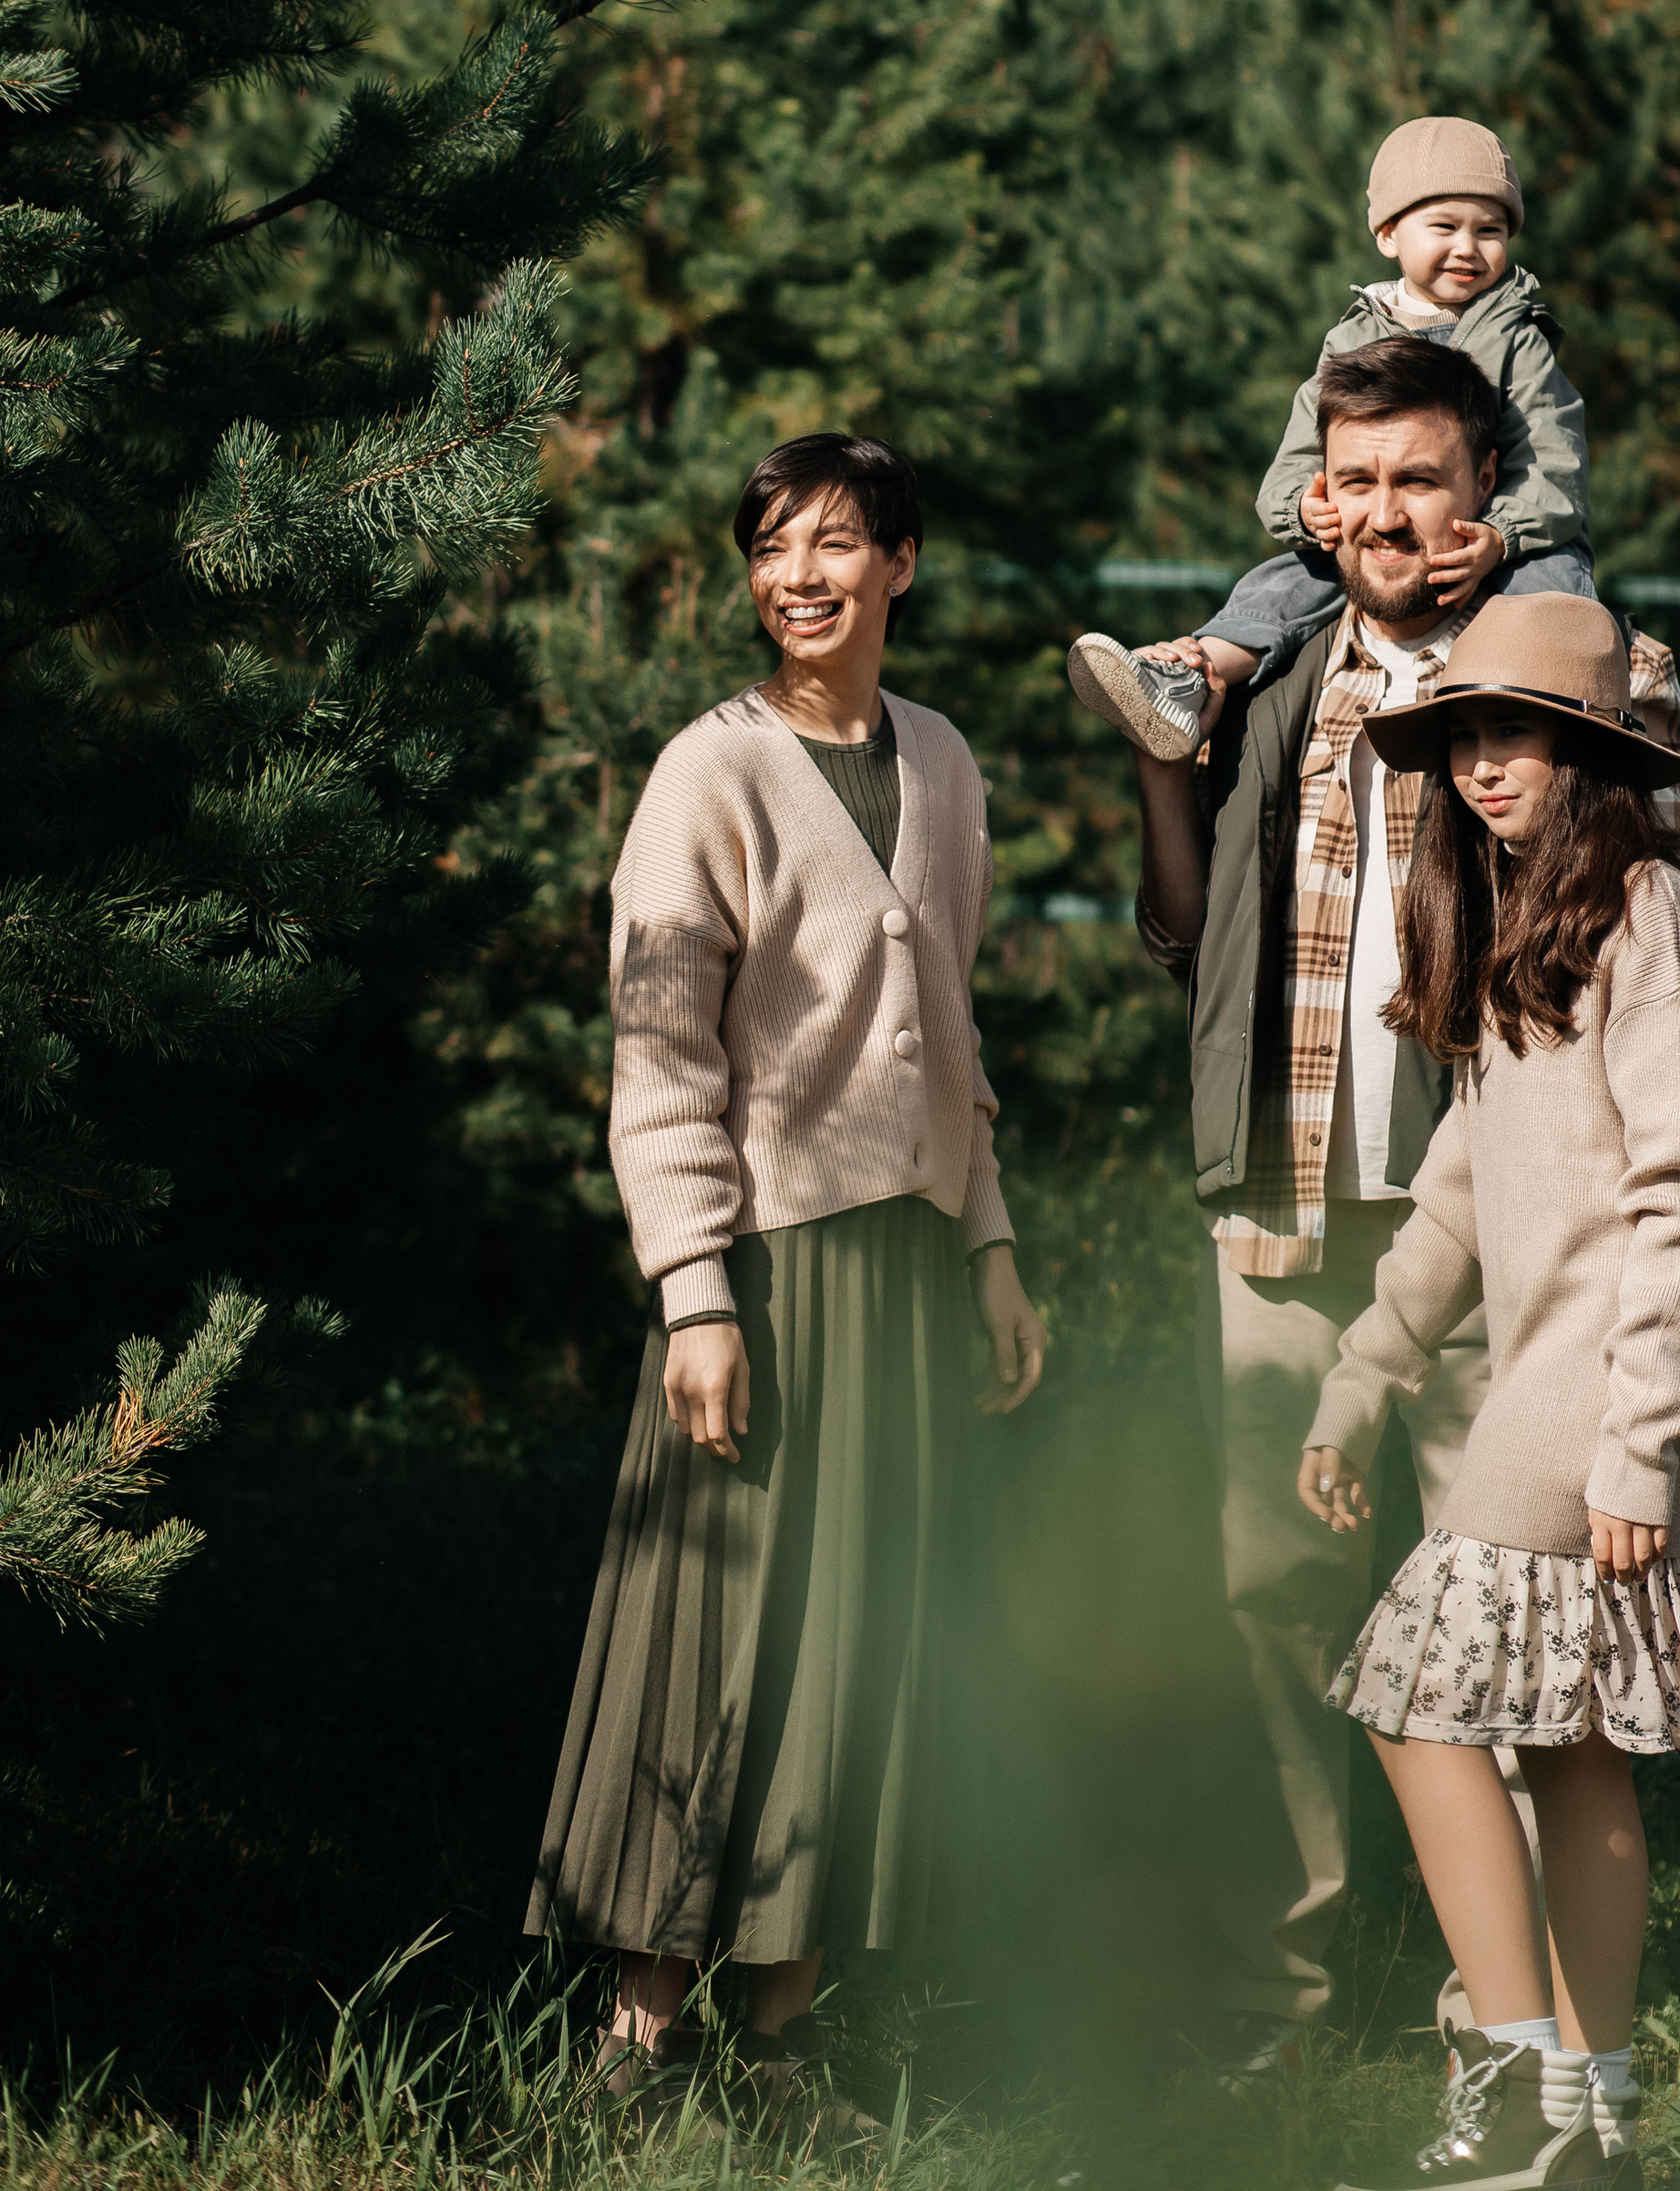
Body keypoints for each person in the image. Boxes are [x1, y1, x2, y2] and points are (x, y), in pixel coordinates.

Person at [1122, 336, 1680, 2072]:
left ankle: (1504, 2016)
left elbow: (1678, 910)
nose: (1386, 514)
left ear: (1486, 498)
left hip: (1515, 1235)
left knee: (1517, 1625)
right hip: (1289, 1200)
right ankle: (1284, 1993)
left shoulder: (1574, 671)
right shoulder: (1260, 674)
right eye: (1358, 481)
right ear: (1319, 499)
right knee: (1276, 1595)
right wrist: (1163, 760)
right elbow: (1180, 933)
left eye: (1421, 481)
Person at [526, 432, 1047, 2120]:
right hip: (764, 1270)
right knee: (719, 1630)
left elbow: (951, 1027)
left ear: (901, 563)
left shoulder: (943, 762)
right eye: (770, 547)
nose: (796, 577)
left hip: (909, 1265)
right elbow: (659, 1051)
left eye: (832, 543)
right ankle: (637, 2046)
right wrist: (694, 1288)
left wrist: (990, 1245)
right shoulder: (711, 774)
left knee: (858, 1640)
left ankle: (783, 2042)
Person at [1300, 595, 1680, 2188]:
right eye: (1464, 741)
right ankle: (1591, 2120)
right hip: (1548, 1391)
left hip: (1597, 1408)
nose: (1485, 767)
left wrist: (1643, 1448)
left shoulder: (1650, 916)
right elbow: (1458, 1188)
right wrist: (1365, 1371)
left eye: (1519, 737)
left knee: (1414, 1699)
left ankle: (1508, 2073)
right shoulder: (1518, 920)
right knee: (1567, 1745)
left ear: (1594, 755)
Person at [1067, 114, 1593, 761]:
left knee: (1555, 589)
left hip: (1509, 532)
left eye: (1490, 231)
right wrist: (1303, 507)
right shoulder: (1353, 338)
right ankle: (1191, 674)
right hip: (1396, 536)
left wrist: (1502, 535)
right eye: (1445, 227)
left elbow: (1555, 463)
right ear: (1388, 234)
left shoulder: (1518, 338)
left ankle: (1579, 722)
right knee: (1287, 580)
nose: (1468, 248)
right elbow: (1299, 458)